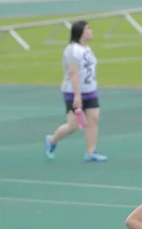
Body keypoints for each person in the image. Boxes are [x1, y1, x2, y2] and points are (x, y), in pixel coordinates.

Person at [45, 20, 107, 162]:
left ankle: (91, 152)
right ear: (81, 32)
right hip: (73, 92)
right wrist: (77, 96)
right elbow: (73, 73)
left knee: (93, 119)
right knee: (73, 126)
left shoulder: (87, 49)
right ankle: (52, 140)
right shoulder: (72, 50)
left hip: (90, 90)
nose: (91, 31)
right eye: (88, 29)